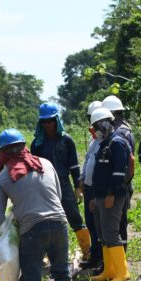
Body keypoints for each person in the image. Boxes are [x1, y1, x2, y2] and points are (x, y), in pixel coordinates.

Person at [0, 128, 73, 281]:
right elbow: (59, 192)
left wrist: (8, 239)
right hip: (59, 223)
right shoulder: (45, 163)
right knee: (61, 270)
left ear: (2, 153)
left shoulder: (2, 178)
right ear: (24, 146)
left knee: (30, 279)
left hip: (31, 230)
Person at [30, 103, 91, 262]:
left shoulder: (66, 140)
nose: (47, 124)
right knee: (44, 220)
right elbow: (33, 169)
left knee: (74, 217)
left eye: (50, 121)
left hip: (64, 184)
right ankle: (45, 255)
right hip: (44, 186)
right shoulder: (37, 144)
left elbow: (74, 165)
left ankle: (87, 251)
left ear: (56, 120)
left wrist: (77, 187)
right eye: (44, 122)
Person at [89, 108, 131, 281]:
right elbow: (99, 173)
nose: (95, 131)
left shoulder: (117, 143)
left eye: (97, 126)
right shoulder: (104, 144)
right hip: (100, 196)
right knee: (103, 234)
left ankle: (122, 272)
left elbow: (119, 173)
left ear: (105, 124)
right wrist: (94, 197)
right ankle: (109, 270)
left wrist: (111, 194)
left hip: (112, 196)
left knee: (111, 233)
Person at [102, 95, 134, 252]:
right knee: (120, 220)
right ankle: (121, 253)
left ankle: (121, 255)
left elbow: (120, 165)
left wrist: (113, 190)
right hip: (124, 182)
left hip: (119, 184)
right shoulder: (126, 129)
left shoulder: (119, 134)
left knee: (117, 221)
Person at [79, 100, 104, 271]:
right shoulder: (92, 139)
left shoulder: (107, 140)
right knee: (90, 223)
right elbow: (88, 159)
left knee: (99, 225)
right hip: (88, 187)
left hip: (97, 188)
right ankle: (94, 256)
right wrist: (81, 178)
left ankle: (101, 259)